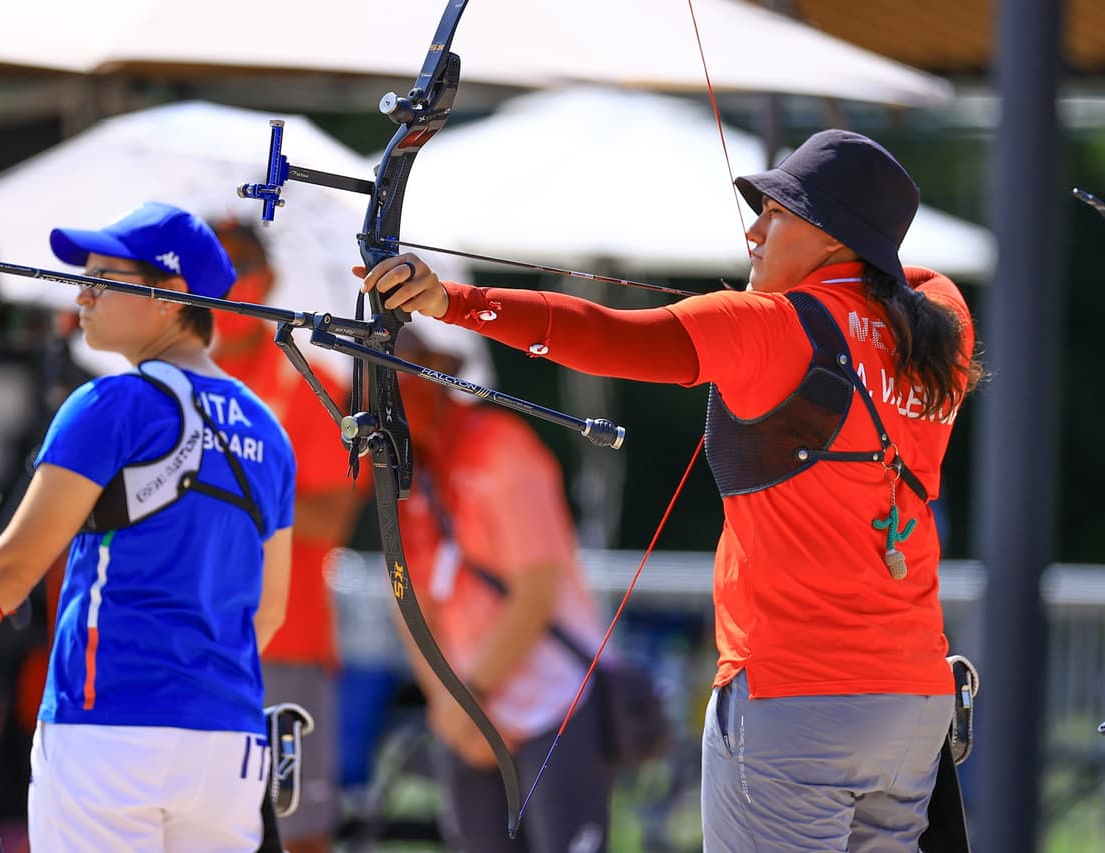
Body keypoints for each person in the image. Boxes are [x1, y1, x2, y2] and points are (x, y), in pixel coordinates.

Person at [358, 129, 985, 852]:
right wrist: (862, 260)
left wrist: (451, 301)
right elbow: (922, 277)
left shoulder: (776, 328)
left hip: (796, 697)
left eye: (777, 212)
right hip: (912, 703)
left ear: (830, 232)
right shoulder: (943, 329)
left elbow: (608, 334)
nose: (752, 231)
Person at [0, 202, 296, 852]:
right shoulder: (269, 433)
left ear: (170, 296)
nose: (83, 292)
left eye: (103, 277)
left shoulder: (112, 404)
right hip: (230, 747)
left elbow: (9, 571)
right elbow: (266, 613)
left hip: (108, 736)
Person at [389, 324, 613, 853]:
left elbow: (535, 589)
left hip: (553, 707)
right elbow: (406, 598)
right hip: (467, 715)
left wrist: (466, 699)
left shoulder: (502, 447)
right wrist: (447, 703)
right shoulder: (404, 473)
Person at [210, 220, 365, 853]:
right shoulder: (173, 378)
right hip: (191, 637)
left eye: (239, 262)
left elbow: (332, 519)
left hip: (285, 637)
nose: (226, 279)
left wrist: (226, 487)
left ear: (268, 276)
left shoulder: (306, 379)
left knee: (295, 830)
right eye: (210, 266)